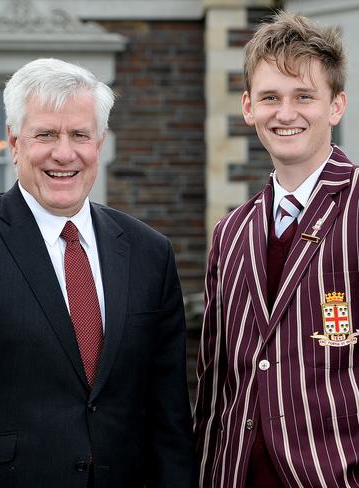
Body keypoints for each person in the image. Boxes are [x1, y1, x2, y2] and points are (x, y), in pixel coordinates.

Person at [0, 58, 195, 487]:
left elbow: (170, 419)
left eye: (79, 135)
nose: (64, 152)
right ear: (14, 143)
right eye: (46, 134)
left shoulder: (150, 252)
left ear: (100, 142)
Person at [194, 12, 358, 487]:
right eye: (270, 97)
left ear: (336, 105)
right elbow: (214, 388)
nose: (285, 113)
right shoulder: (230, 233)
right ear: (248, 107)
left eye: (304, 96)